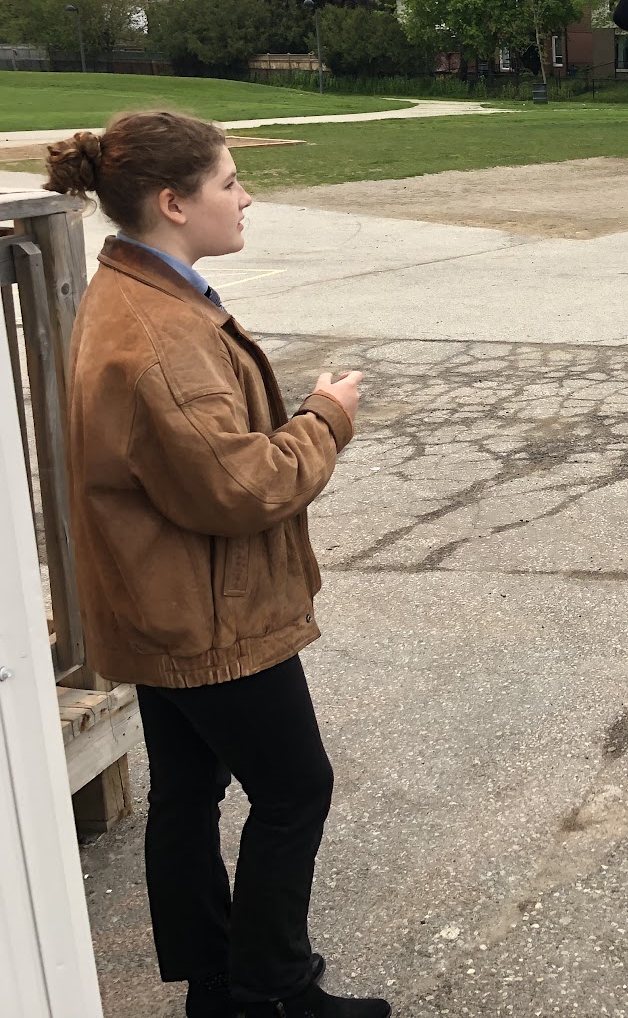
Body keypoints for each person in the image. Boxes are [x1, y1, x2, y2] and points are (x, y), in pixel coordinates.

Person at [45, 111, 388, 1018]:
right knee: (296, 790)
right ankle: (274, 992)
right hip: (207, 616)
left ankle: (216, 987)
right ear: (173, 202)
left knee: (190, 789)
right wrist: (326, 418)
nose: (246, 197)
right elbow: (240, 487)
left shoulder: (137, 288)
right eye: (230, 183)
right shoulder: (157, 330)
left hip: (163, 602)